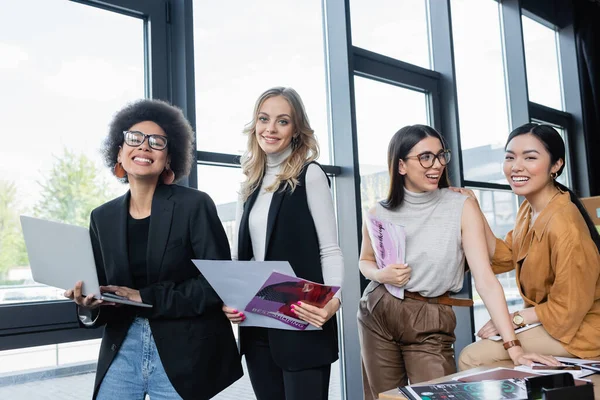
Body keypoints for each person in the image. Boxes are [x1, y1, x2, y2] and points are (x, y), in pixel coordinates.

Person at [357, 124, 559, 400]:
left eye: (441, 156)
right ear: (401, 165)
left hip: (430, 314)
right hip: (378, 311)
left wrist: (514, 347)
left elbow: (486, 280)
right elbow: (365, 262)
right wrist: (382, 275)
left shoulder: (460, 205)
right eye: (425, 157)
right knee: (383, 397)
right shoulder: (378, 211)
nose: (436, 164)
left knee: (439, 394)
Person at [64, 99, 243, 400]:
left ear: (169, 158)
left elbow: (216, 285)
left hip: (183, 352)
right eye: (134, 139)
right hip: (122, 347)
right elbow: (103, 289)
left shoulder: (195, 206)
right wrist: (88, 304)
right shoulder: (101, 217)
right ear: (119, 151)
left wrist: (143, 296)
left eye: (157, 142)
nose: (144, 147)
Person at [222, 87, 344, 400]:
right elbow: (241, 258)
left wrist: (334, 300)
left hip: (301, 314)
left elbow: (329, 249)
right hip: (256, 320)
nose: (270, 128)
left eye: (282, 121)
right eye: (264, 119)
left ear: (296, 130)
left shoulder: (310, 175)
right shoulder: (248, 184)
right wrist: (232, 300)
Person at [457, 123, 600, 370]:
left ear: (556, 165)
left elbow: (567, 309)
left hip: (583, 330)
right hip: (553, 322)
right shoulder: (529, 209)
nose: (516, 166)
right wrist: (474, 209)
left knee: (472, 356)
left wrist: (515, 319)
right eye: (510, 157)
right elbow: (504, 256)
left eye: (530, 157)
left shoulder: (565, 225)